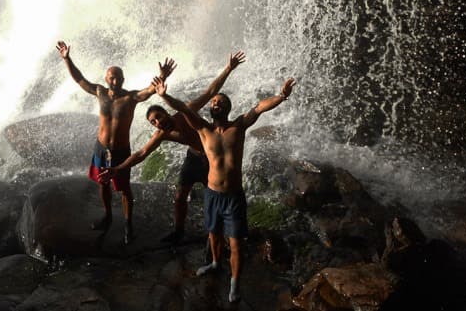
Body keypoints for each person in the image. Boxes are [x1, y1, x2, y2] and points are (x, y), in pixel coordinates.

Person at [154, 73, 296, 303]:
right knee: (214, 234)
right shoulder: (203, 130)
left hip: (233, 196)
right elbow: (184, 109)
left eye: (219, 102)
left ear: (227, 108)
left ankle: (234, 282)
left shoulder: (238, 126)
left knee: (236, 243)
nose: (215, 103)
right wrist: (164, 95)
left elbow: (259, 108)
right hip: (212, 194)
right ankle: (215, 263)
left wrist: (281, 96)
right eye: (213, 102)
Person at [101, 50, 247, 244]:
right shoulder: (163, 134)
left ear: (166, 114)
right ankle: (179, 232)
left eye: (158, 118)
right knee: (180, 197)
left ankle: (224, 236)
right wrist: (117, 169)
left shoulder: (185, 113)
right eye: (153, 123)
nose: (158, 124)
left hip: (211, 160)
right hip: (193, 158)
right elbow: (141, 153)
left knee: (216, 197)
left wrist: (228, 68)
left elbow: (210, 92)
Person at [56, 40, 176, 245]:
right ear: (106, 78)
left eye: (118, 77)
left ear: (123, 79)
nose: (115, 80)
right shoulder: (99, 92)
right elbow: (79, 79)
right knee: (102, 183)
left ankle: (128, 224)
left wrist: (162, 77)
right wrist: (67, 59)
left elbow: (149, 90)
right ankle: (108, 216)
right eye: (112, 77)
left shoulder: (130, 98)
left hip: (120, 150)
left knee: (124, 189)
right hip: (101, 148)